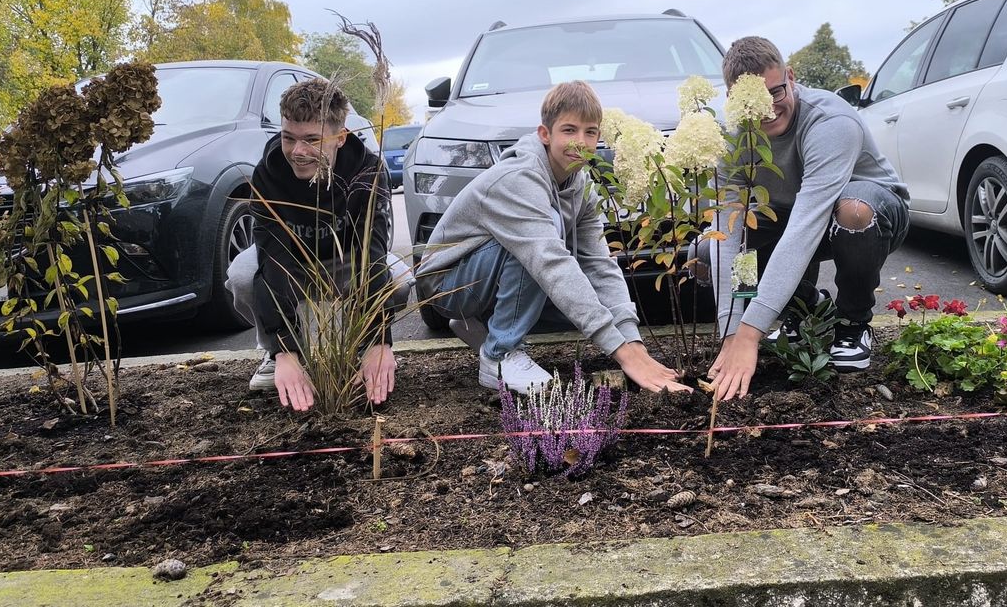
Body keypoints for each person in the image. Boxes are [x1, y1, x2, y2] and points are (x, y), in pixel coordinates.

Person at [415, 80, 691, 395]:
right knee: (542, 251)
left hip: (480, 283)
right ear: (545, 134)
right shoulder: (519, 179)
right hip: (448, 285)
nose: (580, 142)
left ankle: (482, 327)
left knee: (582, 295)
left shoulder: (580, 186)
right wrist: (622, 355)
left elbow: (599, 264)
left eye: (590, 132)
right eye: (569, 130)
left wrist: (632, 343)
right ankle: (498, 357)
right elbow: (550, 262)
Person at [708, 36, 910, 401]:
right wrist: (731, 331)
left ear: (791, 76)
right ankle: (806, 306)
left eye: (776, 91)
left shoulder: (831, 121)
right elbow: (729, 232)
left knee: (854, 209)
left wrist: (751, 334)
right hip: (792, 215)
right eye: (754, 100)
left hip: (869, 214)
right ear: (731, 99)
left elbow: (805, 226)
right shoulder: (733, 138)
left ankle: (853, 322)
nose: (768, 109)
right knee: (723, 246)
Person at [225, 78, 402, 411]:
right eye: (288, 138)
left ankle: (365, 353)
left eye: (311, 140)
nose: (297, 151)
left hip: (344, 261)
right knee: (243, 273)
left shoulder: (368, 172)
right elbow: (273, 259)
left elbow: (372, 252)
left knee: (400, 277)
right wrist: (284, 349)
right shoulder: (267, 174)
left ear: (339, 137)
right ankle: (276, 356)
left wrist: (380, 339)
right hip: (292, 263)